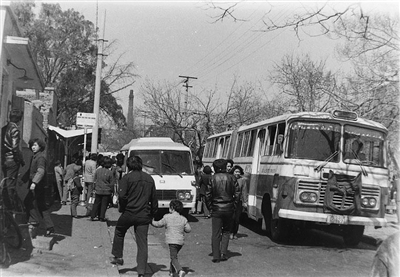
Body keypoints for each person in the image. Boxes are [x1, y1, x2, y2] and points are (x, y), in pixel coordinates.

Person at [110, 156, 158, 277]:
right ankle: (141, 271)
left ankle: (118, 255)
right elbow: (154, 199)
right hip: (143, 214)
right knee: (142, 242)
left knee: (120, 231)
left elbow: (122, 196)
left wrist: (123, 208)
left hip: (129, 212)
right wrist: (152, 213)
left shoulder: (126, 178)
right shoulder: (149, 179)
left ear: (129, 166)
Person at [206, 159, 239, 263]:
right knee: (226, 231)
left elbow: (208, 195)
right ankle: (224, 253)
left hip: (216, 208)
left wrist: (210, 207)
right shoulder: (232, 178)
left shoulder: (212, 178)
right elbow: (237, 193)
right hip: (229, 207)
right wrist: (234, 205)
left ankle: (216, 255)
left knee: (216, 233)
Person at [152, 200, 191, 277]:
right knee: (174, 256)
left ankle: (180, 270)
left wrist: (152, 221)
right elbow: (188, 229)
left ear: (172, 208)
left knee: (173, 257)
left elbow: (159, 224)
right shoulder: (183, 218)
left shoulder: (167, 217)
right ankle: (172, 272)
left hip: (172, 241)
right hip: (180, 241)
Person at [26, 138, 54, 237]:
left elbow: (40, 171)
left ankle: (34, 221)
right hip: (38, 184)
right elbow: (30, 171)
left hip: (38, 185)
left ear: (40, 147)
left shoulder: (40, 158)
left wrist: (34, 182)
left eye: (35, 145)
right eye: (32, 145)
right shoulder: (34, 157)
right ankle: (49, 227)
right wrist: (22, 180)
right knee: (41, 205)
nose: (33, 147)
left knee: (29, 202)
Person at [1, 109, 25, 212]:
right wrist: (20, 160)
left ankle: (6, 207)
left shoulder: (3, 128)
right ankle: (10, 209)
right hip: (12, 160)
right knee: (10, 185)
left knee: (5, 183)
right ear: (19, 119)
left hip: (4, 159)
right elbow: (15, 148)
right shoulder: (15, 129)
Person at [90, 156, 115, 222]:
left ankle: (93, 215)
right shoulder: (110, 173)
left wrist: (94, 188)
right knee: (104, 205)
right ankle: (101, 217)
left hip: (98, 190)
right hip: (107, 191)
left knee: (96, 203)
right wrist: (113, 191)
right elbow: (112, 183)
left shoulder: (98, 171)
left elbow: (94, 180)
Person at [230, 165, 248, 239]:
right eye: (236, 171)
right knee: (231, 217)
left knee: (237, 218)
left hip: (239, 201)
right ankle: (230, 232)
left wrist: (245, 201)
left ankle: (235, 232)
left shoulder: (242, 180)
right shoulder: (230, 179)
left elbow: (244, 191)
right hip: (230, 201)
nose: (237, 173)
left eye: (238, 172)